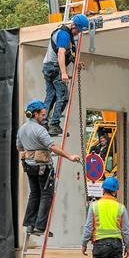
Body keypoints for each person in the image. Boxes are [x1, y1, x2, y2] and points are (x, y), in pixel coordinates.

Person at [16, 100, 81, 235]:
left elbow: (19, 147)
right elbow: (53, 146)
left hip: (29, 166)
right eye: (42, 115)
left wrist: (34, 150)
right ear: (35, 114)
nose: (44, 117)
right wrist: (69, 156)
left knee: (34, 194)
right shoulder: (40, 130)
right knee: (46, 195)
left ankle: (29, 224)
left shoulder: (22, 129)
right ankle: (40, 227)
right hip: (43, 167)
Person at [42, 13, 91, 136]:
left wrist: (76, 62)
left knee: (51, 96)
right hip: (55, 68)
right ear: (74, 26)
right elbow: (61, 53)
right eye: (78, 31)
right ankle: (54, 125)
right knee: (63, 97)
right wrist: (63, 73)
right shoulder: (64, 35)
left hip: (48, 67)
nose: (78, 33)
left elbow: (68, 53)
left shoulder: (63, 32)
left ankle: (43, 123)